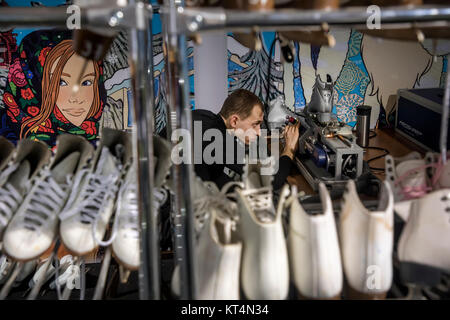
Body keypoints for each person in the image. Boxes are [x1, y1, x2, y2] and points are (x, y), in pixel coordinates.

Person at [1, 30, 106, 147]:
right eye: (61, 82)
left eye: (86, 82)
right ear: (32, 86)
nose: (77, 99)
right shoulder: (7, 146)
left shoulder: (106, 148)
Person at [193, 89, 300, 191]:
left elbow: (215, 174)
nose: (258, 132)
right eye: (255, 124)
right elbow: (271, 181)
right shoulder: (218, 140)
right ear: (234, 121)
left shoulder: (204, 116)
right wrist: (289, 149)